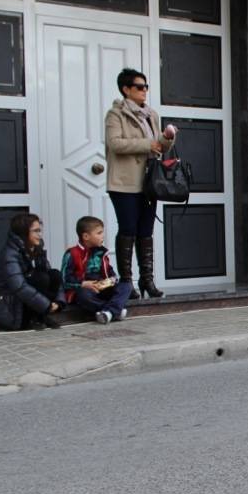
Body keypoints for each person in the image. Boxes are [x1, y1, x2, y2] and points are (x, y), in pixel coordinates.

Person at [104, 67, 174, 300]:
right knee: (128, 230)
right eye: (139, 87)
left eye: (146, 87)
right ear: (126, 89)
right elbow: (115, 144)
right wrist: (147, 144)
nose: (144, 91)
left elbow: (158, 147)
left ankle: (147, 280)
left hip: (148, 182)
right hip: (124, 183)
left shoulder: (151, 114)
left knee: (146, 231)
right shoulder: (116, 115)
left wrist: (167, 139)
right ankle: (126, 282)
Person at [0, 213, 63, 330]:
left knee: (54, 274)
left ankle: (40, 317)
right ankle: (32, 318)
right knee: (40, 278)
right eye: (36, 231)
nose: (40, 235)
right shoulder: (10, 254)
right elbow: (19, 286)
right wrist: (46, 305)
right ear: (23, 233)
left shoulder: (36, 248)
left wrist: (59, 302)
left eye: (40, 231)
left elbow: (49, 274)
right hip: (9, 306)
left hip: (28, 301)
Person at [61, 216, 133, 324]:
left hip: (102, 288)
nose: (102, 236)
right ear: (86, 236)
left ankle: (109, 312)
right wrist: (84, 284)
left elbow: (109, 271)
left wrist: (112, 279)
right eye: (99, 233)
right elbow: (65, 279)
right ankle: (113, 311)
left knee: (127, 285)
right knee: (83, 295)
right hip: (85, 289)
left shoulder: (101, 252)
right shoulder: (71, 253)